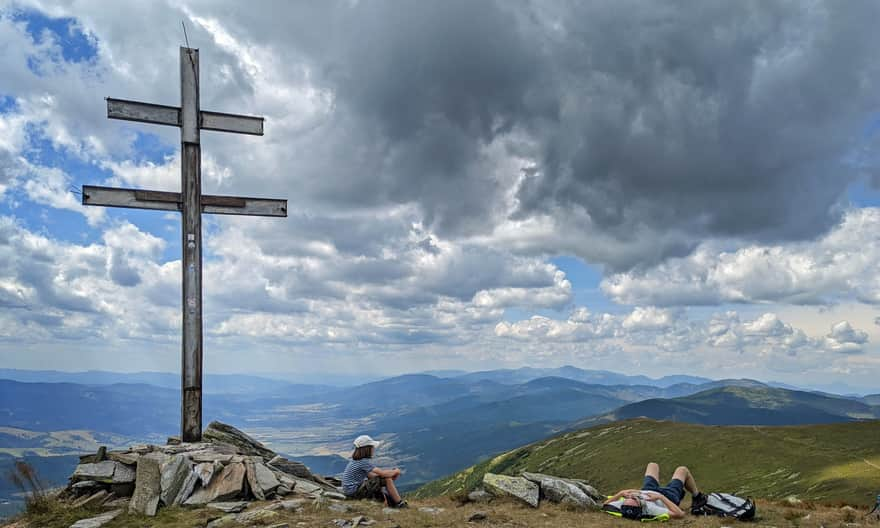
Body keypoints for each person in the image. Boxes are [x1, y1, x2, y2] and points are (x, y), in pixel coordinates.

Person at [604, 463, 706, 520]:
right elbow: (680, 514)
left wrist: (622, 493)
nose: (631, 497)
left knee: (652, 465)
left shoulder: (624, 505)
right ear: (641, 505)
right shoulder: (651, 509)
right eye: (635, 498)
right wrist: (660, 498)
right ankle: (697, 496)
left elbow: (605, 505)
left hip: (648, 489)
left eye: (629, 498)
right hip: (668, 496)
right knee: (682, 470)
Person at [340, 434, 407, 508]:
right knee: (387, 479)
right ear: (368, 449)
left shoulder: (355, 460)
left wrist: (387, 478)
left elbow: (372, 476)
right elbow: (383, 473)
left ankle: (390, 502)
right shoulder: (363, 462)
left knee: (384, 480)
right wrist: (395, 471)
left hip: (350, 491)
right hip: (354, 493)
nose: (373, 449)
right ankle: (400, 504)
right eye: (372, 447)